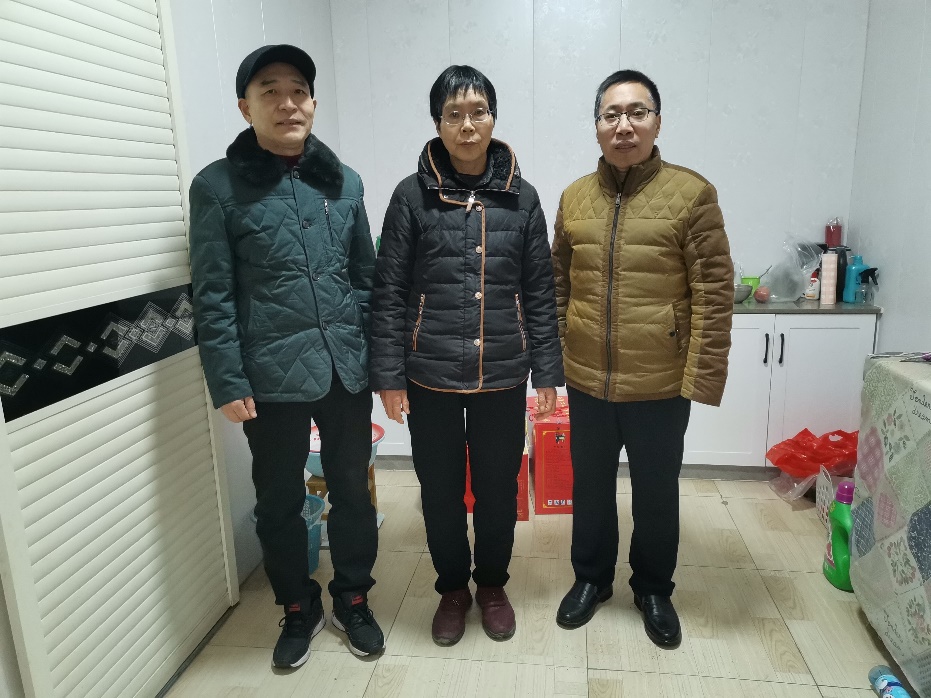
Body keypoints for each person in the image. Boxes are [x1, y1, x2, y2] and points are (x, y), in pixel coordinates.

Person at [188, 44, 383, 667]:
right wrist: (226, 379)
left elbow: (365, 277)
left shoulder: (344, 181)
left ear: (314, 103)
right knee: (278, 500)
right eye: (269, 91)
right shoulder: (216, 187)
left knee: (353, 490)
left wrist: (375, 358)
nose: (287, 102)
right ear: (245, 108)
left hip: (344, 370)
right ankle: (298, 606)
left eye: (298, 90)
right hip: (268, 377)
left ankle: (353, 598)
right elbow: (212, 293)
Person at [370, 65, 564, 647]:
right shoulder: (410, 196)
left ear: (493, 118)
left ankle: (493, 585)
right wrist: (388, 377)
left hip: (503, 373)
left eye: (478, 111)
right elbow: (389, 291)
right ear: (438, 123)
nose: (467, 125)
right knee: (440, 489)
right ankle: (453, 588)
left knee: (499, 489)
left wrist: (547, 373)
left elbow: (540, 291)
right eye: (453, 114)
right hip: (427, 374)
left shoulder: (523, 199)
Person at [551, 70, 733, 647]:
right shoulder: (574, 198)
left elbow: (713, 291)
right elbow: (558, 285)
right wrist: (556, 359)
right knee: (591, 488)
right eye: (611, 114)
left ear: (657, 121)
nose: (623, 125)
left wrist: (701, 377)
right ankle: (591, 579)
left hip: (660, 383)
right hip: (587, 380)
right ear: (596, 126)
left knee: (656, 492)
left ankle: (653, 588)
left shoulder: (692, 193)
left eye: (637, 112)